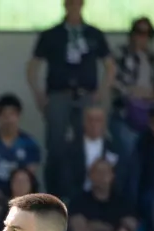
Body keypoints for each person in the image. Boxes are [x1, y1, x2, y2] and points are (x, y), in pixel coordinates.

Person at [26, 0, 113, 196]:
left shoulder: (93, 33)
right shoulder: (51, 34)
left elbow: (110, 65)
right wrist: (38, 94)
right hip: (59, 94)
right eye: (71, 3)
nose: (74, 6)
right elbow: (32, 67)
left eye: (78, 3)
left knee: (87, 144)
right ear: (65, 5)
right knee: (55, 145)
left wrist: (101, 92)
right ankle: (54, 194)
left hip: (86, 95)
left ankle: (85, 192)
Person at [0, 94, 42, 231]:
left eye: (12, 115)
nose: (9, 120)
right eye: (4, 115)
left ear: (19, 116)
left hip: (22, 195)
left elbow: (28, 180)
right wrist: (3, 200)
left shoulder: (29, 144)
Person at [109, 17, 154, 157]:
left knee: (143, 159)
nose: (143, 37)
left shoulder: (151, 56)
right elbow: (111, 80)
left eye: (148, 33)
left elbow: (153, 80)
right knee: (127, 158)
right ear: (132, 33)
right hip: (124, 114)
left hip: (146, 115)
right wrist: (131, 91)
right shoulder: (120, 52)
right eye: (139, 32)